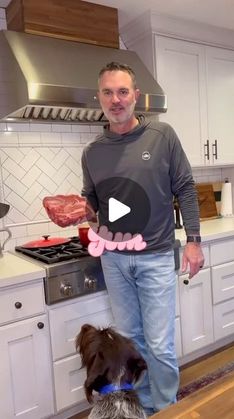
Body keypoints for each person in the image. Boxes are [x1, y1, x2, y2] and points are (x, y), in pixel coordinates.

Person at [45, 62, 204, 416]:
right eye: (108, 92)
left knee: (160, 345)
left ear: (135, 96)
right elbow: (95, 203)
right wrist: (78, 209)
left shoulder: (162, 137)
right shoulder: (92, 152)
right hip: (114, 260)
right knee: (130, 343)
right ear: (98, 97)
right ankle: (140, 408)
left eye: (122, 92)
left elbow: (187, 189)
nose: (115, 100)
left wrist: (193, 239)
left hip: (156, 255)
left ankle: (165, 409)